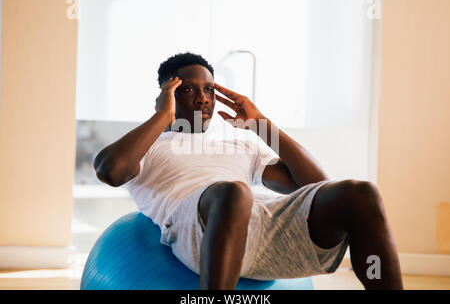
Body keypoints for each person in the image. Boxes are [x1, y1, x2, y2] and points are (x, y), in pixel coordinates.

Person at [93, 52, 404, 290]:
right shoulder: (147, 146)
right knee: (233, 191)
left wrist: (261, 125)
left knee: (361, 193)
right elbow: (111, 171)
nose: (203, 98)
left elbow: (316, 186)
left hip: (265, 229)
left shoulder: (242, 142)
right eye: (188, 89)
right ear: (167, 94)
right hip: (199, 234)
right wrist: (163, 116)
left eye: (209, 89)